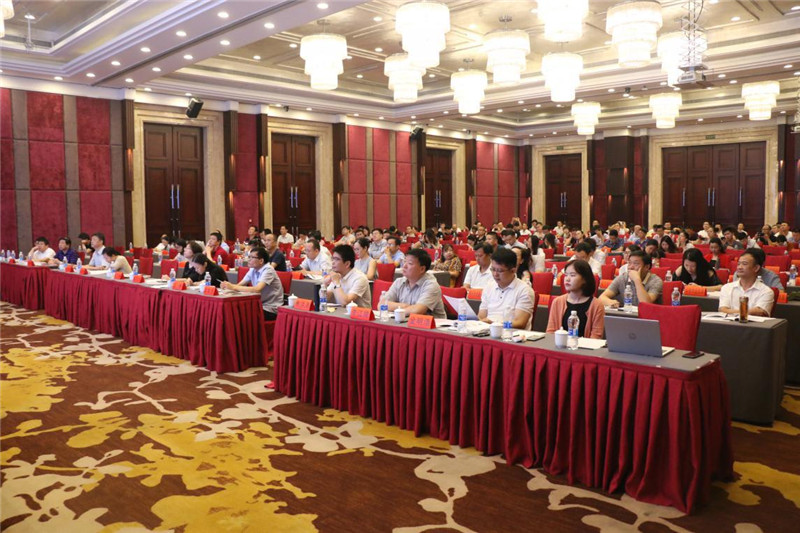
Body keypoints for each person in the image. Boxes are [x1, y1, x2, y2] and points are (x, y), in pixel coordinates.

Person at [478, 247, 536, 330]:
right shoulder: (489, 286)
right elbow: (481, 316)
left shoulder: (525, 290)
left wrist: (495, 324)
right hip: (487, 332)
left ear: (513, 270)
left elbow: (520, 323)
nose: (495, 274)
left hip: (513, 334)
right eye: (493, 269)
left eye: (500, 271)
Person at [546, 259, 605, 338]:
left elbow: (596, 337)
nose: (567, 279)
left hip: (585, 346)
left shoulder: (597, 305)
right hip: (559, 345)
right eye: (566, 275)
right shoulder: (557, 302)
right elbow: (550, 332)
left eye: (572, 275)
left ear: (585, 279)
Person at [222, 247, 283, 320]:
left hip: (270, 308)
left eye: (252, 257)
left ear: (261, 261)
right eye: (249, 257)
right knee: (233, 310)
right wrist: (227, 286)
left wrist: (233, 287)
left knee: (240, 313)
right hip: (258, 305)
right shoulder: (253, 269)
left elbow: (257, 289)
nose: (249, 259)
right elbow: (240, 285)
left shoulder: (268, 270)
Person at [384, 248, 446, 318]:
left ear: (422, 269)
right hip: (405, 322)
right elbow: (382, 304)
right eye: (405, 261)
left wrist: (395, 308)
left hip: (432, 324)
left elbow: (418, 311)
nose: (404, 266)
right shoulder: (399, 282)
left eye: (410, 263)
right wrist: (405, 306)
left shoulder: (431, 285)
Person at [718, 249, 774, 317]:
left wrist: (731, 312)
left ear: (756, 268)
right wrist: (746, 312)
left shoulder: (766, 291)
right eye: (738, 264)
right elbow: (722, 310)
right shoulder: (726, 288)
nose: (740, 267)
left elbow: (759, 311)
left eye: (744, 264)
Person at [598, 250, 663, 307]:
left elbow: (646, 304)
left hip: (646, 316)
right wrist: (610, 302)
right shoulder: (623, 278)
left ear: (647, 267)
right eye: (629, 263)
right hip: (626, 315)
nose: (631, 267)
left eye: (636, 264)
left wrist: (637, 280)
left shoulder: (656, 281)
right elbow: (601, 298)